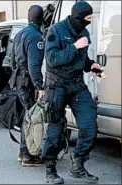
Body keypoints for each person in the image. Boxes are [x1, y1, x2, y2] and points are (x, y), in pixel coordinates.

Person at [42, 1, 102, 184]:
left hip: (76, 85)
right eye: (88, 18)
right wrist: (74, 47)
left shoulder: (83, 32)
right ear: (78, 17)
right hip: (57, 85)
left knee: (90, 126)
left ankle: (78, 165)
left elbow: (82, 59)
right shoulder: (56, 31)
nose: (90, 21)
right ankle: (50, 169)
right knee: (55, 129)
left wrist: (92, 66)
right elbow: (52, 59)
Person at [10, 5, 45, 167]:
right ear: (42, 18)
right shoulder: (36, 36)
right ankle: (28, 155)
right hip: (28, 81)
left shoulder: (20, 34)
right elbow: (34, 66)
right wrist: (39, 86)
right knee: (32, 118)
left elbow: (11, 60)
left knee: (27, 115)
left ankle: (23, 152)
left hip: (18, 79)